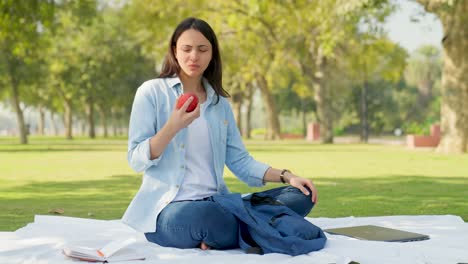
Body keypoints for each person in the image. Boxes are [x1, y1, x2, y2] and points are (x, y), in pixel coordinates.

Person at [122, 17, 318, 251]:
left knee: (299, 196)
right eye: (186, 49)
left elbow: (240, 161)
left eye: (202, 49)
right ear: (174, 51)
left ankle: (225, 233)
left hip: (219, 203)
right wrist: (172, 126)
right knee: (205, 215)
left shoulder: (219, 103)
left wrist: (287, 176)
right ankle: (249, 229)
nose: (194, 56)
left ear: (212, 54)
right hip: (170, 212)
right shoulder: (151, 92)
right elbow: (136, 158)